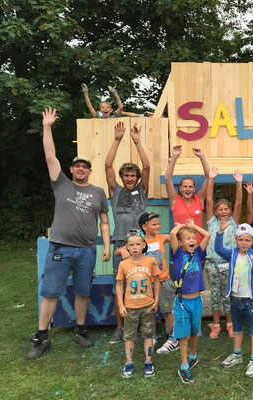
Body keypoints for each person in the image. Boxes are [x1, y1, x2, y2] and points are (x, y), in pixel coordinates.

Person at [27, 108, 111, 360]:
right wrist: (47, 126)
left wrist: (105, 245)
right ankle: (42, 337)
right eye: (77, 166)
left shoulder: (98, 192)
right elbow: (50, 156)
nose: (81, 170)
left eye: (85, 167)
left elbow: (104, 221)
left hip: (87, 250)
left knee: (83, 291)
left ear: (90, 171)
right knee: (51, 291)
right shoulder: (61, 183)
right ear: (72, 170)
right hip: (60, 249)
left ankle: (81, 330)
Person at [105, 121, 150, 344]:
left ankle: (143, 325)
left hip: (141, 244)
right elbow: (107, 166)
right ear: (122, 178)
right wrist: (117, 139)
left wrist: (137, 141)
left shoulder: (143, 191)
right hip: (121, 244)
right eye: (127, 176)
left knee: (142, 284)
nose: (130, 178)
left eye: (133, 175)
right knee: (120, 286)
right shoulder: (115, 191)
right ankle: (120, 328)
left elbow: (148, 167)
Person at [216, 220, 253, 378]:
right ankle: (237, 354)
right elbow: (218, 249)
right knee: (237, 329)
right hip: (235, 298)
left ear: (252, 241)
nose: (244, 243)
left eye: (247, 240)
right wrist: (220, 233)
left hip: (249, 299)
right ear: (236, 240)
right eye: (241, 239)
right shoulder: (232, 253)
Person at [169, 219, 210, 384]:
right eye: (188, 238)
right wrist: (180, 227)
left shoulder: (198, 253)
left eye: (193, 238)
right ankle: (184, 366)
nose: (193, 240)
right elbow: (172, 234)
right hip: (182, 303)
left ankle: (193, 356)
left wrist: (193, 227)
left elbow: (206, 235)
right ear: (180, 243)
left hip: (197, 301)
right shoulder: (178, 254)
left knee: (194, 331)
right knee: (184, 336)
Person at [204, 167, 243, 339]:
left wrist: (239, 183)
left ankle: (229, 324)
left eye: (226, 209)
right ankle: (216, 325)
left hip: (228, 263)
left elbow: (239, 203)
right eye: (220, 209)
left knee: (227, 294)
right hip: (212, 263)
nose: (223, 212)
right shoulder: (212, 221)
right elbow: (209, 199)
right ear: (216, 212)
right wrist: (211, 179)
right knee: (215, 294)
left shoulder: (234, 222)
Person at [116, 229, 160, 378]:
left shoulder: (151, 261)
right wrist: (121, 305)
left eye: (138, 244)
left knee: (148, 334)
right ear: (126, 247)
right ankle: (129, 362)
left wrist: (157, 300)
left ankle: (148, 361)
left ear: (144, 245)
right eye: (131, 245)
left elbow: (157, 281)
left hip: (147, 305)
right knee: (129, 336)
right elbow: (119, 284)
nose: (135, 247)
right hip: (130, 307)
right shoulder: (123, 264)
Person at [138, 212, 178, 354]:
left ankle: (173, 337)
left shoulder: (161, 238)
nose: (158, 226)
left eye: (158, 224)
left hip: (164, 281)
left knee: (167, 310)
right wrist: (123, 251)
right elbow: (125, 249)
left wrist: (179, 227)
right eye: (154, 224)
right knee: (149, 312)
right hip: (147, 283)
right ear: (144, 226)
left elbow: (173, 236)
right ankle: (152, 336)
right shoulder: (140, 242)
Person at [164, 145, 210, 243]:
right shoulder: (175, 200)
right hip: (180, 246)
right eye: (185, 186)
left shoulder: (199, 199)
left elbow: (209, 177)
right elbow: (167, 178)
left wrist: (202, 156)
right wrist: (174, 156)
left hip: (197, 246)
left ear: (194, 189)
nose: (187, 189)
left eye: (190, 187)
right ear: (180, 188)